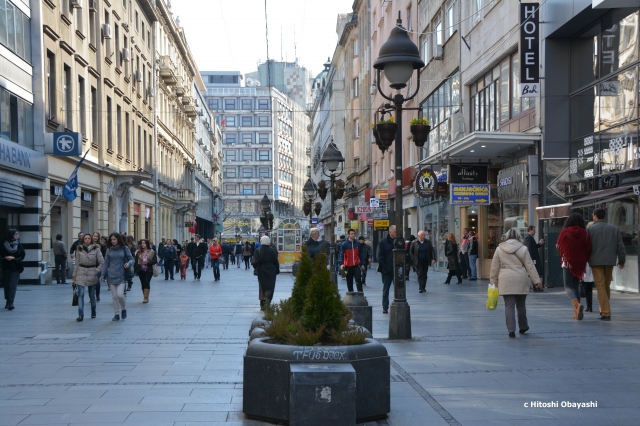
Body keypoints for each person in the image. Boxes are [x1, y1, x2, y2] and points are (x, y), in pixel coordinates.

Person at [490, 229, 542, 338]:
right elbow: (530, 266)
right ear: (518, 237)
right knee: (521, 305)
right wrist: (536, 280)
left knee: (509, 306)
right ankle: (523, 326)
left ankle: (511, 330)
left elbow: (494, 266)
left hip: (506, 279)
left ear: (506, 237)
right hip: (521, 278)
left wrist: (493, 280)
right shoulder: (523, 248)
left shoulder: (499, 249)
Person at [588, 207, 626, 321]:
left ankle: (605, 312)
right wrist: (622, 260)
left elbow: (587, 247)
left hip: (596, 262)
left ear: (595, 216)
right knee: (606, 286)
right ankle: (603, 309)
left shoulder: (590, 230)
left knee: (600, 286)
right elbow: (620, 246)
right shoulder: (614, 229)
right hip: (609, 261)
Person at [557, 213, 593, 321]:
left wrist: (565, 252)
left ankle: (577, 305)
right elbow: (589, 248)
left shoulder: (565, 232)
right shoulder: (585, 233)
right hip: (580, 263)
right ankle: (576, 312)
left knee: (568, 286)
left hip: (567, 261)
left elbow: (558, 245)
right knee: (576, 286)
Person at [100, 233, 134, 321]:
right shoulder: (109, 250)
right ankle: (116, 314)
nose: (113, 241)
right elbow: (106, 263)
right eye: (111, 240)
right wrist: (102, 275)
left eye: (114, 239)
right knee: (114, 296)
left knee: (120, 295)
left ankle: (124, 308)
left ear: (118, 239)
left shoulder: (124, 248)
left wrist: (128, 263)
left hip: (121, 274)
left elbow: (132, 259)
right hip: (112, 275)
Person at [72, 234, 104, 321]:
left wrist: (96, 271)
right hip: (81, 272)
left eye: (89, 238)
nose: (87, 240)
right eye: (85, 238)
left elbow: (102, 262)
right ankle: (80, 314)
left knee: (91, 295)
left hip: (91, 272)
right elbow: (77, 264)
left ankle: (93, 310)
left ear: (91, 239)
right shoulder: (79, 249)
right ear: (83, 239)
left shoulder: (96, 249)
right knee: (81, 294)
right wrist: (74, 277)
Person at [252, 236, 280, 310]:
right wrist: (277, 270)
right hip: (271, 270)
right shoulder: (272, 250)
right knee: (271, 286)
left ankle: (262, 303)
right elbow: (276, 262)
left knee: (262, 286)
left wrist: (256, 268)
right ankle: (268, 301)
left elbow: (254, 262)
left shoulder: (258, 251)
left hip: (262, 270)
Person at [1, 229, 25, 311]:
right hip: (6, 267)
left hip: (16, 267)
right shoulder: (3, 244)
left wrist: (14, 258)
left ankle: (11, 302)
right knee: (7, 285)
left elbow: (22, 255)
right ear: (11, 235)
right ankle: (7, 301)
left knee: (12, 284)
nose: (17, 235)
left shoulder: (18, 244)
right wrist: (5, 258)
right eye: (15, 234)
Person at [377, 225, 396, 314]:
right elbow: (379, 256)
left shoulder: (399, 241)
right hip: (386, 270)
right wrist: (385, 266)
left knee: (398, 288)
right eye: (395, 232)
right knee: (386, 289)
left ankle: (397, 303)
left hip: (397, 269)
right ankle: (385, 306)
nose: (396, 233)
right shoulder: (383, 242)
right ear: (390, 232)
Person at [523, 225, 545, 291]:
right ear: (530, 230)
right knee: (534, 272)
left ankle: (536, 287)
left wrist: (539, 244)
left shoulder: (530, 237)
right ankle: (536, 287)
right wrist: (531, 259)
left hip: (533, 259)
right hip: (533, 259)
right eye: (534, 230)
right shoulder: (528, 238)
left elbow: (534, 246)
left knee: (535, 272)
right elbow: (529, 249)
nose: (535, 232)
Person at [92, 232, 107, 302]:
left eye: (96, 236)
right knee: (91, 282)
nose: (95, 237)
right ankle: (91, 296)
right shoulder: (89, 244)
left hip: (98, 265)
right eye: (94, 236)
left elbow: (104, 256)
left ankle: (97, 294)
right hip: (90, 265)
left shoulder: (103, 245)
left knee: (97, 281)